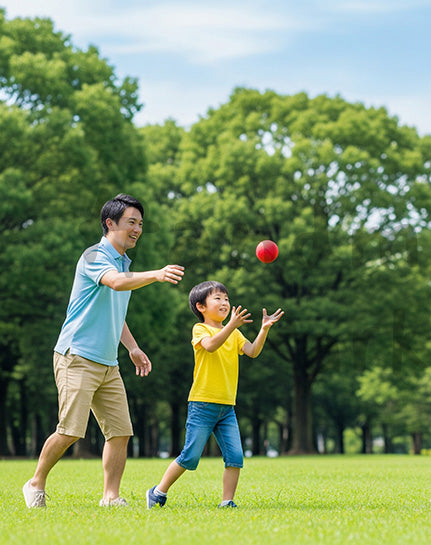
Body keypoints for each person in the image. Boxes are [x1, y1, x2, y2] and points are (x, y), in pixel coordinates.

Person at [22, 194, 185, 508]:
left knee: (120, 431)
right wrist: (156, 274)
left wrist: (133, 348)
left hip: (108, 363)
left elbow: (114, 313)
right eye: (130, 223)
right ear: (110, 223)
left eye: (140, 224)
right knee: (70, 431)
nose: (137, 229)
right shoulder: (95, 255)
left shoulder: (124, 263)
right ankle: (35, 482)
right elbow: (114, 284)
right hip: (77, 356)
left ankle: (111, 496)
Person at [146, 280, 283, 509]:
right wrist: (230, 326)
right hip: (202, 404)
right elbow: (210, 346)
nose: (224, 302)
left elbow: (252, 351)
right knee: (190, 457)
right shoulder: (200, 329)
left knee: (235, 457)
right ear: (201, 306)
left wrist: (264, 329)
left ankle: (227, 501)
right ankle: (158, 492)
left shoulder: (235, 332)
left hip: (226, 407)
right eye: (217, 298)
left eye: (226, 298)